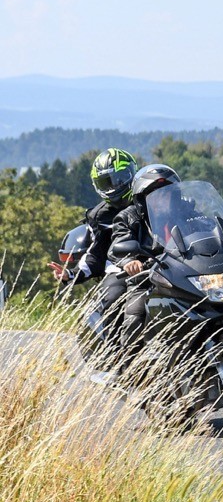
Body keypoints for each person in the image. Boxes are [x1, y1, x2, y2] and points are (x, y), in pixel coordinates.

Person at [108, 163, 183, 358]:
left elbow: (207, 227)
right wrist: (129, 261)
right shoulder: (128, 217)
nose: (162, 198)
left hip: (184, 275)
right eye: (155, 195)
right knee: (137, 311)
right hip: (148, 279)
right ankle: (129, 365)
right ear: (142, 199)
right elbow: (118, 245)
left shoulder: (186, 211)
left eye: (167, 193)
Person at [51, 148, 138, 287]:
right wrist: (71, 274)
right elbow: (96, 255)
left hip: (162, 265)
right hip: (119, 271)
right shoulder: (100, 216)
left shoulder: (150, 200)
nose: (113, 187)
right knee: (110, 296)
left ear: (131, 173)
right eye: (106, 184)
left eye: (119, 179)